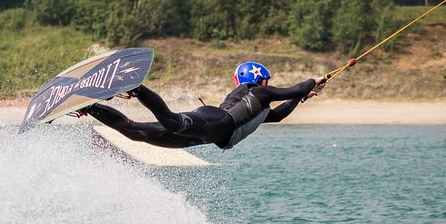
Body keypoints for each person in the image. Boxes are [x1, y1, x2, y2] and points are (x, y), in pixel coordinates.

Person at [76, 61, 326, 150]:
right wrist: (313, 83)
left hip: (205, 136)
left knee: (134, 132)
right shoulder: (262, 92)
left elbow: (278, 115)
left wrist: (301, 97)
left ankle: (90, 107)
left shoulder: (259, 106)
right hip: (215, 122)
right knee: (171, 121)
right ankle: (136, 87)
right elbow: (297, 88)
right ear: (260, 80)